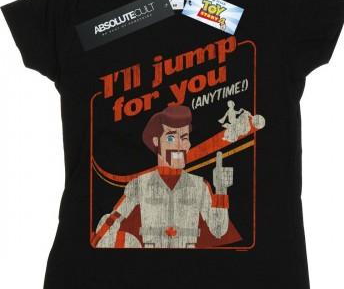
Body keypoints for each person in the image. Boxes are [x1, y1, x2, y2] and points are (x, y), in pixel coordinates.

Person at [92, 105, 236, 248]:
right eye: (171, 138)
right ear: (156, 142)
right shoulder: (139, 184)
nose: (179, 145)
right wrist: (103, 240)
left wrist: (221, 188)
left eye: (184, 138)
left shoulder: (201, 186)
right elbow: (113, 219)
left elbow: (218, 230)